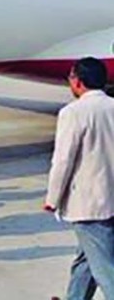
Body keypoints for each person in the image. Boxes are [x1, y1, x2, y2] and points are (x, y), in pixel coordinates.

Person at [45, 57, 114, 299]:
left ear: (78, 81)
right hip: (111, 200)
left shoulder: (73, 113)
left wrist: (52, 198)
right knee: (85, 262)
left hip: (89, 205)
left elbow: (63, 160)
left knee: (105, 270)